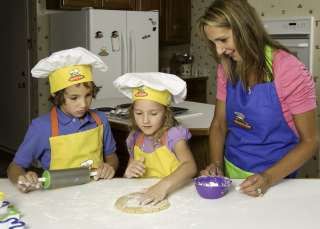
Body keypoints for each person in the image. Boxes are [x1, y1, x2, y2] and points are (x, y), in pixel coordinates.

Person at [199, 0, 318, 197]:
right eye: (213, 43)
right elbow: (219, 124)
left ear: (244, 29)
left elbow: (311, 141)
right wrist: (216, 165)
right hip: (232, 172)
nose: (219, 50)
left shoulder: (289, 69)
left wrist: (268, 177)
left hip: (277, 180)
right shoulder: (226, 68)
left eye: (223, 40)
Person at [7, 47, 119, 193]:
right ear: (58, 97)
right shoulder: (41, 127)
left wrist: (109, 167)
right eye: (74, 98)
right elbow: (14, 167)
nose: (83, 104)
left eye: (88, 95)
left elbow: (112, 158)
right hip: (57, 197)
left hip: (95, 193)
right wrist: (22, 179)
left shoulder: (100, 120)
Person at [113, 72, 197, 204]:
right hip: (147, 197)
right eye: (139, 113)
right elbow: (129, 176)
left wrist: (162, 186)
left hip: (175, 196)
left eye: (153, 113)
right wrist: (128, 174)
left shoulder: (173, 135)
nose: (145, 120)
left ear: (166, 114)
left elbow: (190, 166)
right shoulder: (135, 138)